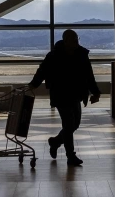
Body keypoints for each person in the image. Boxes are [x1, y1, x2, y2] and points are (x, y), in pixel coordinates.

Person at [28, 29, 100, 166]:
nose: (76, 42)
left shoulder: (82, 54)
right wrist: (33, 84)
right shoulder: (54, 55)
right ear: (65, 41)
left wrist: (95, 92)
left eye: (77, 39)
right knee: (69, 124)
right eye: (73, 40)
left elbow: (89, 75)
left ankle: (55, 142)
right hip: (60, 95)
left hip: (76, 95)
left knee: (75, 124)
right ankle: (70, 156)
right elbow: (42, 71)